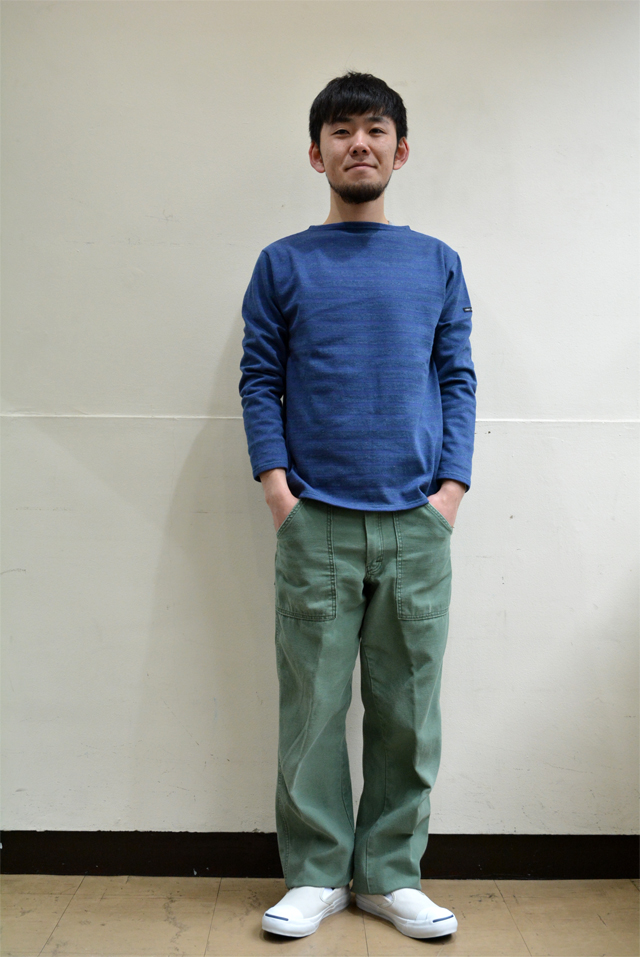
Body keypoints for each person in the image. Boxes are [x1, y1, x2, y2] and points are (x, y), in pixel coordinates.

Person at [238, 71, 476, 941]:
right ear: (317, 154)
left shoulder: (437, 262)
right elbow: (260, 378)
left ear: (400, 151)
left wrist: (450, 493)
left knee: (409, 710)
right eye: (341, 132)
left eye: (375, 129)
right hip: (316, 522)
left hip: (417, 522)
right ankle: (315, 874)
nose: (359, 144)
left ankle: (388, 875)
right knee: (310, 708)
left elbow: (457, 379)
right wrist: (279, 491)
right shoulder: (283, 263)